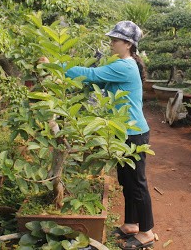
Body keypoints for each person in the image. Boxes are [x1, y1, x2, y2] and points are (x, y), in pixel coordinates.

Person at [65, 21, 155, 250]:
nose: (111, 42)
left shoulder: (125, 66)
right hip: (124, 132)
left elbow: (91, 74)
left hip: (134, 134)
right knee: (126, 181)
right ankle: (131, 225)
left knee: (137, 184)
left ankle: (147, 232)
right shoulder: (124, 63)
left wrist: (57, 66)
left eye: (115, 40)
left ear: (127, 44)